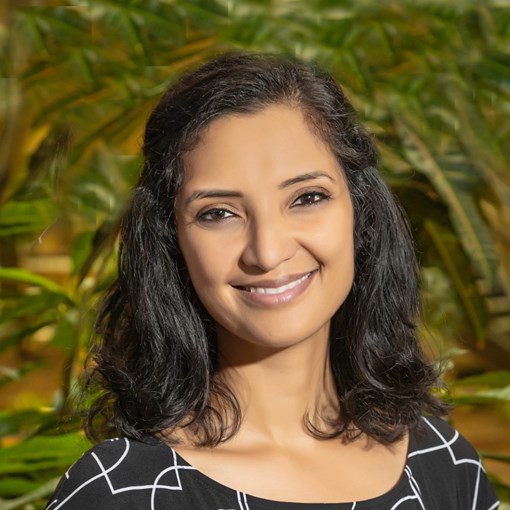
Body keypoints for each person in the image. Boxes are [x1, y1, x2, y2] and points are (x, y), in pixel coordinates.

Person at [45, 51, 499, 509]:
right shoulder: (121, 492)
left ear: (360, 212)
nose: (267, 251)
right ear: (171, 240)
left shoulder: (445, 464)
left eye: (307, 198)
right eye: (218, 213)